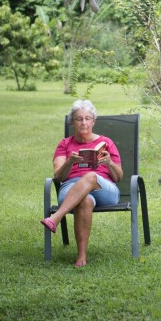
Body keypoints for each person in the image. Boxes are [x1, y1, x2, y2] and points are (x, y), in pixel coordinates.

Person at [41, 100, 123, 267]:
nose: (84, 122)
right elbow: (59, 176)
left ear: (94, 121)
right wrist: (70, 161)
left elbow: (119, 177)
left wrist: (109, 163)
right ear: (72, 122)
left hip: (104, 190)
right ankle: (81, 256)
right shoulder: (65, 145)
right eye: (79, 119)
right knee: (84, 200)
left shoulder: (106, 143)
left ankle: (56, 217)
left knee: (91, 176)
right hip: (71, 189)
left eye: (87, 118)